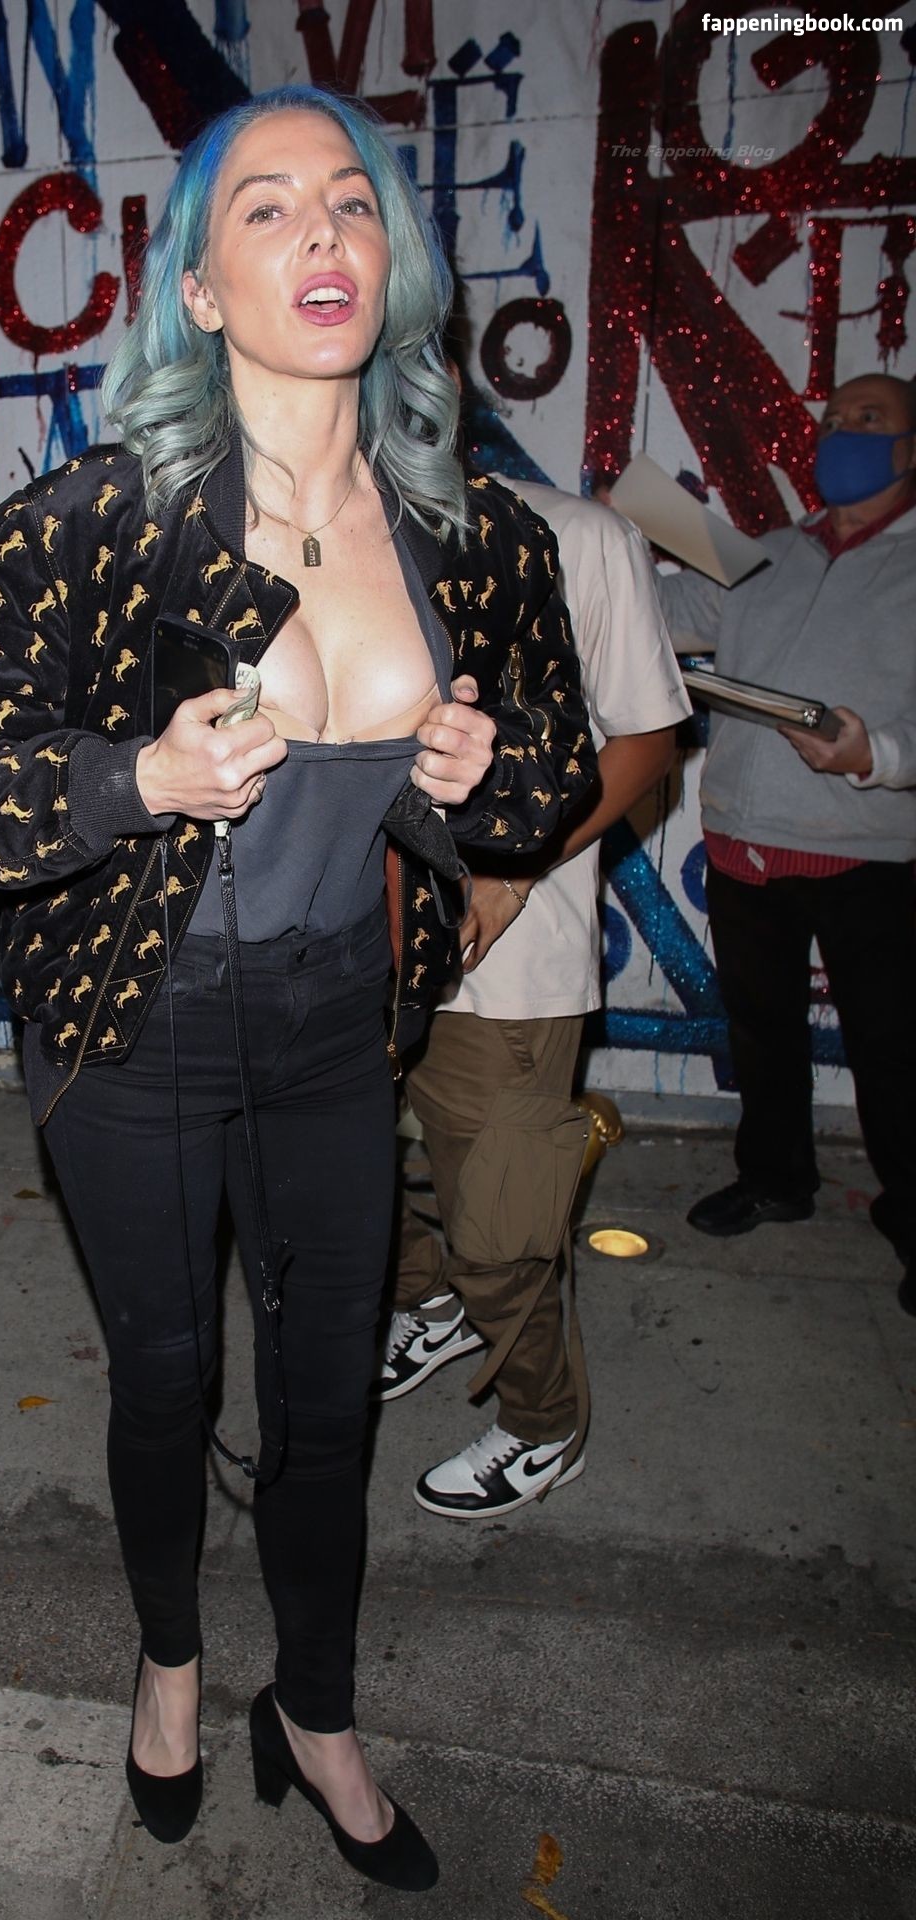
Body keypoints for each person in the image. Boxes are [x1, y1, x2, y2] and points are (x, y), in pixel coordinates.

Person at [0, 85, 593, 1892]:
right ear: (199, 291)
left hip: (341, 1019)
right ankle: (173, 1667)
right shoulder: (97, 524)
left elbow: (555, 776)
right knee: (167, 1377)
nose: (321, 232)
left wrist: (480, 774)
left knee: (330, 1401)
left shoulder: (477, 534)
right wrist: (138, 778)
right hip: (137, 1023)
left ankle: (319, 1711)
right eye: (265, 209)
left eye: (350, 202)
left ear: (393, 261)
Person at [378, 483, 690, 1518]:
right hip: (345, 940)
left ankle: (542, 1424)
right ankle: (427, 1303)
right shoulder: (331, 517)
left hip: (497, 961)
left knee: (500, 1227)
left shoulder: (576, 535)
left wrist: (514, 872)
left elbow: (646, 739)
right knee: (335, 1181)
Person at [658, 373, 916, 1317]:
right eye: (835, 419)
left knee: (895, 1053)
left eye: (869, 420)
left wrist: (876, 754)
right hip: (745, 844)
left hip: (867, 857)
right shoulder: (766, 553)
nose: (843, 432)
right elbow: (658, 613)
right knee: (761, 1035)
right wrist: (612, 534)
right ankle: (774, 1178)